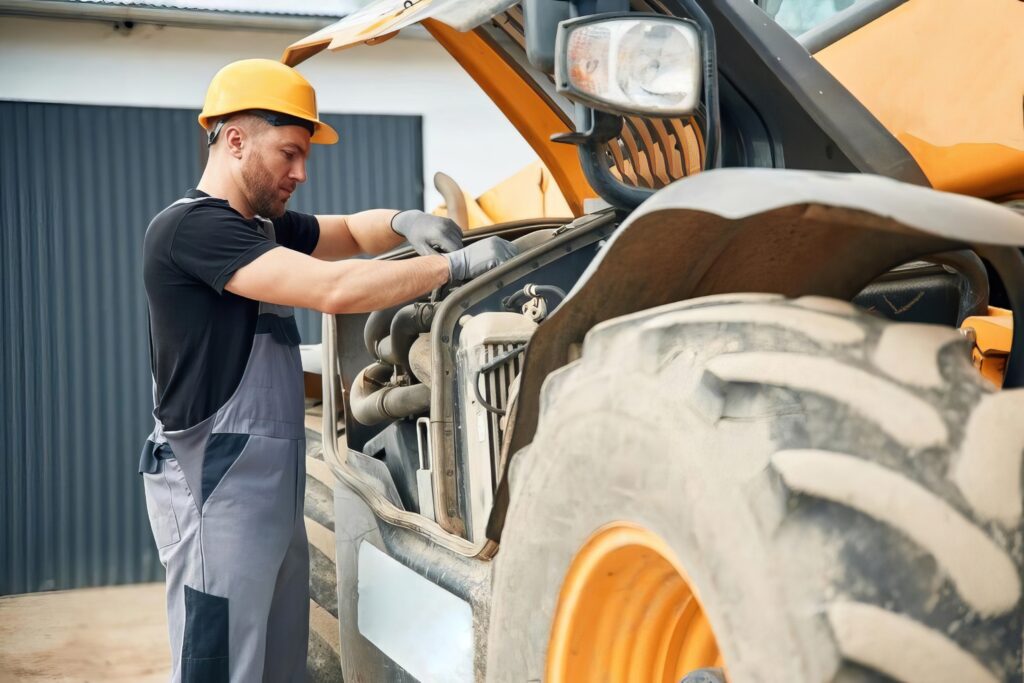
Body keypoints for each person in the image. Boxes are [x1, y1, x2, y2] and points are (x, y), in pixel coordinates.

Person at [138, 58, 517, 682]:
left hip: (267, 492)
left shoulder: (259, 228)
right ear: (235, 139)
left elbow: (346, 232)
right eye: (289, 152)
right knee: (220, 663)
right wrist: (454, 269)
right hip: (216, 494)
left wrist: (403, 222)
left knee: (279, 665)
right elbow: (335, 288)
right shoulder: (192, 229)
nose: (300, 172)